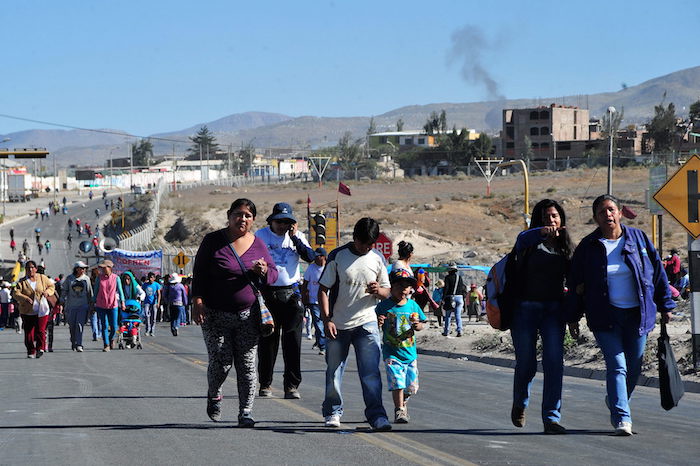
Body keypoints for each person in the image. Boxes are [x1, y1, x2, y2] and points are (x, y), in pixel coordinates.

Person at [567, 194, 675, 436]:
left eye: (612, 209)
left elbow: (657, 273)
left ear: (620, 212)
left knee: (634, 366)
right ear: (595, 218)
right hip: (605, 316)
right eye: (602, 211)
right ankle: (622, 418)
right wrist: (572, 315)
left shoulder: (638, 239)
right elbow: (575, 283)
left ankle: (616, 399)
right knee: (617, 366)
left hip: (638, 315)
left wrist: (666, 305)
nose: (608, 214)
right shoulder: (588, 246)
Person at [191, 198, 278, 427]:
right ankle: (214, 393)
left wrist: (265, 270)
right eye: (238, 214)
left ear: (253, 220)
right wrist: (197, 300)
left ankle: (245, 411)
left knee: (247, 365)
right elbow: (199, 272)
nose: (243, 219)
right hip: (215, 314)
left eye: (248, 216)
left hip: (247, 316)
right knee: (221, 363)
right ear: (229, 216)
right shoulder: (213, 241)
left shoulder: (258, 244)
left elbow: (274, 275)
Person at [318, 217, 392, 431]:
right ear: (354, 238)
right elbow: (323, 288)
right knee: (334, 371)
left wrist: (379, 290)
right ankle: (333, 411)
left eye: (370, 244)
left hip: (366, 324)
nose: (365, 248)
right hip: (338, 324)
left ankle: (377, 415)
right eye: (362, 243)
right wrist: (327, 320)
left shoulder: (377, 258)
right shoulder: (337, 256)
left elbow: (387, 292)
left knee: (371, 373)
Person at [508, 199, 573, 435]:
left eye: (555, 216)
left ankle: (551, 418)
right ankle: (520, 402)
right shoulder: (528, 241)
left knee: (554, 364)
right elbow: (520, 241)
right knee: (526, 364)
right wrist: (541, 232)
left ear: (562, 220)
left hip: (554, 311)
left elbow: (574, 282)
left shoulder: (566, 248)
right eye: (546, 217)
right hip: (524, 309)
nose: (552, 221)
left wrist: (574, 316)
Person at [255, 202, 316, 399]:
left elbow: (311, 257)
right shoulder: (261, 236)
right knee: (268, 343)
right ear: (272, 221)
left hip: (291, 294)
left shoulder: (297, 237)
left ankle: (291, 386)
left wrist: (295, 238)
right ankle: (265, 383)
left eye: (287, 222)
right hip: (268, 294)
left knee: (292, 344)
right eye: (279, 222)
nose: (282, 226)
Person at [376, 269, 427, 424]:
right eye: (399, 286)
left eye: (406, 286)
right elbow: (374, 324)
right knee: (397, 382)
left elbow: (422, 324)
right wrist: (378, 322)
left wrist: (418, 325)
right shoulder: (384, 306)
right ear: (392, 287)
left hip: (410, 353)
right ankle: (399, 410)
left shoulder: (412, 305)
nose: (403, 289)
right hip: (392, 353)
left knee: (411, 387)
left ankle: (403, 403)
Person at [12, 260, 55, 358]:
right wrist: (25, 298)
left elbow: (51, 286)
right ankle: (31, 351)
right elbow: (16, 293)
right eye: (28, 268)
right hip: (27, 311)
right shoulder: (22, 282)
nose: (30, 270)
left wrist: (47, 292)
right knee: (29, 333)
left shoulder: (42, 278)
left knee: (41, 330)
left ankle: (40, 348)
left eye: (32, 267)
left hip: (42, 310)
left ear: (36, 269)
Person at [92, 259, 125, 352]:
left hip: (113, 304)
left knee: (114, 326)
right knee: (104, 325)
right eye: (101, 268)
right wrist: (92, 303)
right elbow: (96, 291)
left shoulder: (116, 278)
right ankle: (106, 344)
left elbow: (120, 291)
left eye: (104, 267)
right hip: (101, 304)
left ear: (109, 268)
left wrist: (122, 302)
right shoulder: (99, 278)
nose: (102, 269)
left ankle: (111, 338)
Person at [60, 261, 93, 352]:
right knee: (72, 325)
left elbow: (89, 292)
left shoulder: (86, 279)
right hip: (71, 305)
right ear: (76, 269)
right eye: (81, 268)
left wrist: (91, 304)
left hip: (83, 305)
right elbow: (64, 290)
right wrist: (62, 300)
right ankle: (73, 340)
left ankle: (79, 344)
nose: (83, 270)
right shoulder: (70, 279)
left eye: (84, 268)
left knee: (79, 325)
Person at [301, 247, 327, 355]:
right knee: (318, 323)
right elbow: (305, 284)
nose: (316, 259)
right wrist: (305, 298)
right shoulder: (311, 268)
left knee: (326, 322)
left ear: (324, 257)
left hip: (327, 301)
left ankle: (322, 341)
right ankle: (323, 346)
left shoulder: (329, 267)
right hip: (314, 301)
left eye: (318, 256)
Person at [441, 263, 466, 337]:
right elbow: (462, 288)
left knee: (448, 315)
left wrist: (443, 298)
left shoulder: (447, 278)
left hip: (450, 298)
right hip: (460, 298)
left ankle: (446, 331)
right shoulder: (459, 277)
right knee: (458, 315)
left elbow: (446, 289)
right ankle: (459, 330)